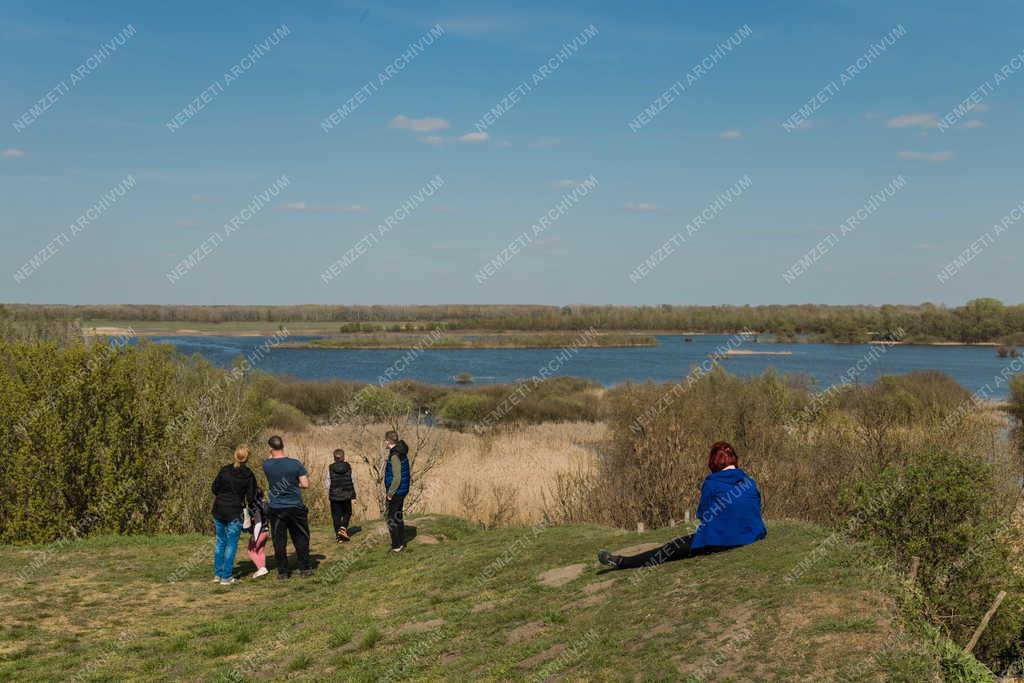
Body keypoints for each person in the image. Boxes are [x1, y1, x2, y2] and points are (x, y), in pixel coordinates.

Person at [597, 441, 766, 570]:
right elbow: (754, 507)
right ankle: (620, 560)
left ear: (713, 462)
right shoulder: (749, 481)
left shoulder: (712, 483)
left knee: (671, 548)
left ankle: (621, 561)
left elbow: (703, 514)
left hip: (724, 539)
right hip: (753, 534)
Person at [262, 435, 313, 579]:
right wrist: (293, 484)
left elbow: (270, 461)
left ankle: (283, 572)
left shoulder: (267, 465)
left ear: (271, 448)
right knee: (301, 537)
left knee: (279, 540)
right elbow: (305, 484)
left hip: (277, 507)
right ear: (283, 446)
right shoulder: (295, 464)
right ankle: (305, 568)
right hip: (295, 506)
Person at [211, 445, 257, 585]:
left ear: (235, 455)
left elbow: (214, 488)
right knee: (231, 544)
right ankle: (226, 577)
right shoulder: (248, 475)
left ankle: (218, 574)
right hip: (234, 511)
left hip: (219, 509)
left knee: (220, 542)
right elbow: (251, 497)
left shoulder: (224, 470)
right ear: (247, 458)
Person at [383, 430, 411, 553]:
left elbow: (397, 478)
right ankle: (401, 542)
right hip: (402, 490)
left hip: (397, 491)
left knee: (391, 518)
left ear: (389, 441)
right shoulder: (401, 451)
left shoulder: (394, 455)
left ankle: (396, 546)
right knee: (398, 515)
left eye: (385, 440)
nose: (384, 442)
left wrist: (390, 494)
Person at [325, 448, 357, 542]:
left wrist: (331, 490)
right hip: (347, 495)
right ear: (344, 457)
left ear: (334, 458)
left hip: (334, 496)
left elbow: (327, 482)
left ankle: (339, 537)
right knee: (347, 513)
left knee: (336, 516)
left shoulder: (330, 468)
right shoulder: (348, 467)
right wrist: (353, 495)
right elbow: (353, 480)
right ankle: (343, 528)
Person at [247, 489, 270, 579]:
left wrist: (255, 537)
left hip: (259, 532)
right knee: (260, 551)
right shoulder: (266, 504)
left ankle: (261, 568)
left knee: (251, 551)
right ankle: (263, 568)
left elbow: (258, 523)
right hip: (266, 531)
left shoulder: (255, 507)